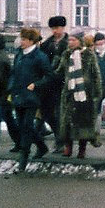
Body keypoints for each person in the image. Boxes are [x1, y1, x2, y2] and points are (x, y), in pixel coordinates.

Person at [9, 27, 56, 171]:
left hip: (31, 97)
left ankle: (23, 159)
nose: (21, 41)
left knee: (27, 127)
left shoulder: (40, 57)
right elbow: (14, 74)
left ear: (31, 41)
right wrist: (10, 89)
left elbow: (49, 76)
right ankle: (42, 147)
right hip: (18, 96)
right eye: (21, 39)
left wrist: (36, 84)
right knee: (22, 125)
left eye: (23, 39)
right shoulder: (19, 55)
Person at [56, 31, 103, 158]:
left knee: (84, 122)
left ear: (79, 41)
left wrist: (97, 92)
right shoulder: (66, 55)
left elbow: (96, 74)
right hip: (69, 93)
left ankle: (82, 149)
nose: (70, 42)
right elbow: (59, 72)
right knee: (68, 121)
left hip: (85, 93)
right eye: (69, 40)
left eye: (73, 40)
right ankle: (68, 147)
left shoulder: (88, 55)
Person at [38, 15, 69, 151]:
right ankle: (59, 137)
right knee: (48, 113)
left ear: (63, 27)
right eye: (53, 28)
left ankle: (62, 142)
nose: (55, 31)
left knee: (61, 114)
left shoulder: (69, 43)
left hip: (64, 84)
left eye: (57, 28)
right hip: (49, 84)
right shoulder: (46, 44)